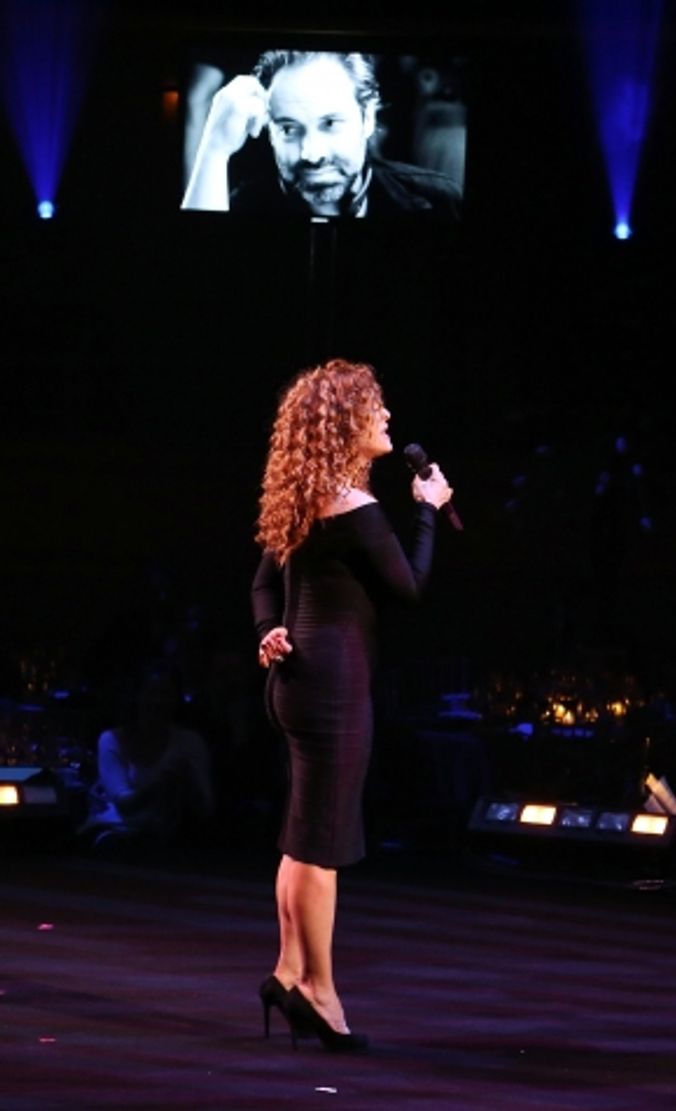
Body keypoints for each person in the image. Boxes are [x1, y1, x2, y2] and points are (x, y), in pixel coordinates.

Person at [250, 358, 454, 1052]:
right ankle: (320, 990)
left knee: (302, 833)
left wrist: (268, 630)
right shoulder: (357, 510)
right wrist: (426, 510)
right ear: (347, 424)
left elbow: (261, 585)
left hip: (296, 683)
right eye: (377, 407)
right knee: (323, 841)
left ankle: (287, 971)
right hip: (333, 687)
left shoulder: (307, 499)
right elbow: (411, 590)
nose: (388, 417)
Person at [182, 50, 462, 218]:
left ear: (368, 119)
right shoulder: (240, 207)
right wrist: (215, 150)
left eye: (330, 123)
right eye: (289, 129)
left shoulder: (440, 201)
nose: (311, 153)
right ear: (269, 132)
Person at [79, 659, 215, 849]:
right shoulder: (110, 740)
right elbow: (124, 806)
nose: (158, 701)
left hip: (167, 840)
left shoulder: (190, 743)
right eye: (151, 693)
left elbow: (205, 809)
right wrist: (159, 783)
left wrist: (187, 782)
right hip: (114, 833)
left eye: (166, 694)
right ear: (136, 696)